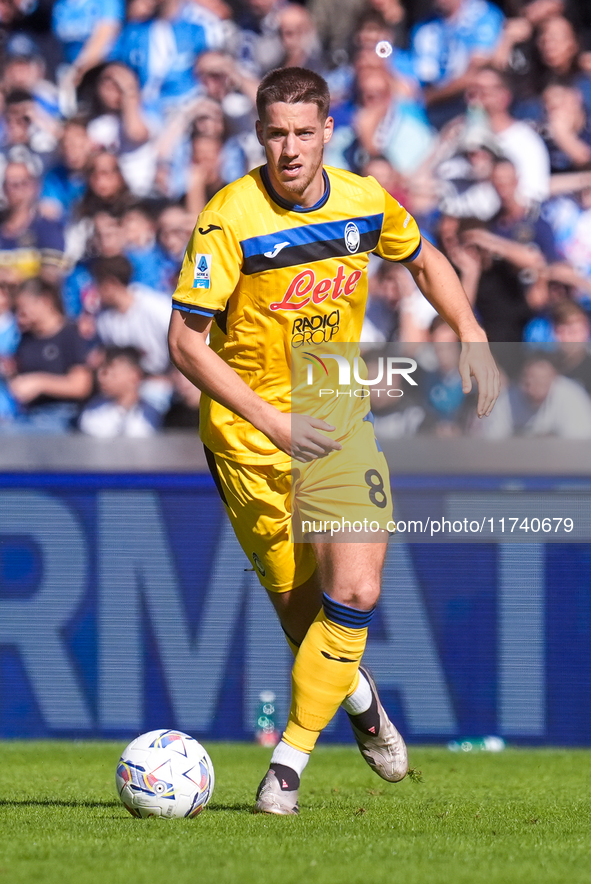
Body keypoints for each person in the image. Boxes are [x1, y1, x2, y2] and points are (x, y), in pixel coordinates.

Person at [168, 66, 499, 815]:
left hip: (336, 417)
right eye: (276, 134)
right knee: (309, 620)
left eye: (303, 132)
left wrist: (470, 330)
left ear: (327, 132)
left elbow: (421, 257)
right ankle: (360, 704)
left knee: (356, 590)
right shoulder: (229, 220)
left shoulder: (363, 199)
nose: (290, 149)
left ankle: (284, 768)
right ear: (259, 137)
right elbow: (185, 346)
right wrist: (272, 420)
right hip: (251, 439)